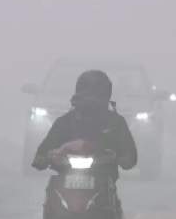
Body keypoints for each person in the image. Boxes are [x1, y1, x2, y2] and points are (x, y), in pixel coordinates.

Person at [31, 70, 138, 216]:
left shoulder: (115, 122)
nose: (92, 96)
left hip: (103, 180)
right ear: (79, 93)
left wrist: (121, 157)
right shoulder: (65, 122)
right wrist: (44, 157)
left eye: (97, 91)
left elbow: (129, 153)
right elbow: (44, 150)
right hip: (64, 177)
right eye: (87, 91)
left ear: (106, 94)